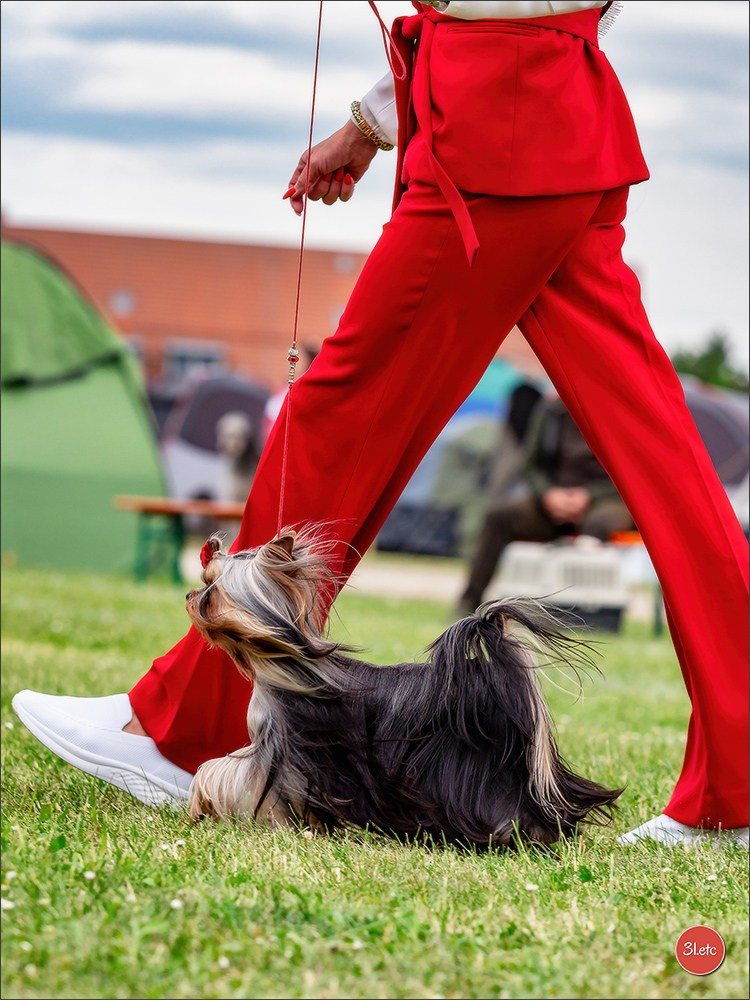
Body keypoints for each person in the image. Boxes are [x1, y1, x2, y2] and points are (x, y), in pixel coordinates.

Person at [13, 1, 748, 849]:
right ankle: (742, 778)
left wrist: (383, 113)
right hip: (545, 117)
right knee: (668, 459)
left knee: (335, 409)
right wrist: (374, 118)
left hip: (495, 135)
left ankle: (191, 726)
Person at [458, 390, 635, 615]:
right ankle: (469, 605)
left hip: (607, 499)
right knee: (498, 517)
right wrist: (548, 494)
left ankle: (586, 613)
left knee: (599, 523)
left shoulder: (620, 412)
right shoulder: (551, 410)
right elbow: (530, 464)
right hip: (554, 500)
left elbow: (631, 472)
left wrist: (589, 495)